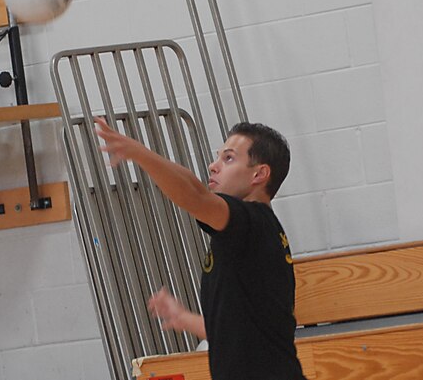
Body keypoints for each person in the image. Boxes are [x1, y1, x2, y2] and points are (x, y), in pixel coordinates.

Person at [95, 117, 306, 380]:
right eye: (217, 157)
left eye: (228, 159)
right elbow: (240, 332)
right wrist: (184, 318)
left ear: (259, 174)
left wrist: (140, 155)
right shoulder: (249, 234)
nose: (213, 166)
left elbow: (194, 196)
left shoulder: (251, 223)